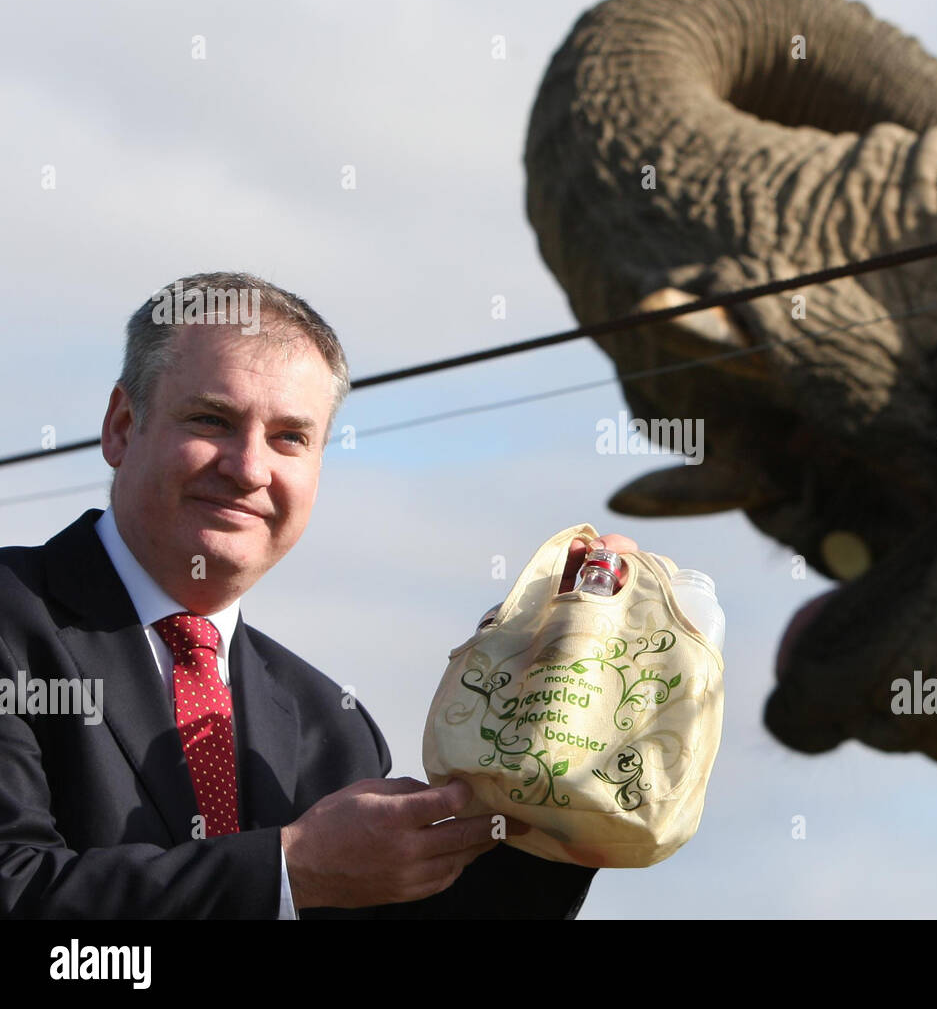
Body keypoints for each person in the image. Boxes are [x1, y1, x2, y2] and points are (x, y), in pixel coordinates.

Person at [0, 272, 638, 919]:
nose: (249, 468)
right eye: (211, 420)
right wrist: (286, 872)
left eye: (290, 438)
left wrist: (554, 760)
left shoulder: (332, 727)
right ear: (121, 427)